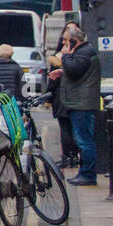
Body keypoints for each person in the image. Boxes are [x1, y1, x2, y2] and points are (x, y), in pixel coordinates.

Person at [59, 27, 102, 186]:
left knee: (84, 141)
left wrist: (65, 56)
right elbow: (77, 72)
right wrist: (62, 72)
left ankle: (87, 174)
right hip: (80, 102)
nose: (63, 43)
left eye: (65, 40)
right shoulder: (84, 52)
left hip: (82, 104)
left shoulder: (84, 52)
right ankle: (85, 173)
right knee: (82, 139)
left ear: (74, 41)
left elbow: (74, 70)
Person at [46, 21, 82, 169]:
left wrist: (49, 96)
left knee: (69, 128)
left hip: (67, 95)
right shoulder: (79, 54)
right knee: (69, 127)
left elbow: (54, 79)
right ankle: (71, 157)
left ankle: (70, 157)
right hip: (66, 95)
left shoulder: (62, 56)